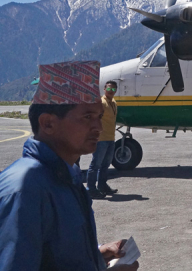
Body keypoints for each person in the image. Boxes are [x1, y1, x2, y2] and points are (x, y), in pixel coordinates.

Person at [0, 61, 139, 270]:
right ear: (48, 123)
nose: (99, 127)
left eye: (99, 117)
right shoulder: (25, 189)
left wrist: (97, 254)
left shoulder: (68, 173)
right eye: (87, 117)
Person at [87, 80, 119, 199]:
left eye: (113, 89)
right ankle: (90, 189)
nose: (111, 91)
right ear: (104, 89)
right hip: (101, 139)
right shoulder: (101, 102)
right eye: (109, 89)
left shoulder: (113, 102)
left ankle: (102, 186)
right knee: (95, 165)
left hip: (111, 138)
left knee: (105, 164)